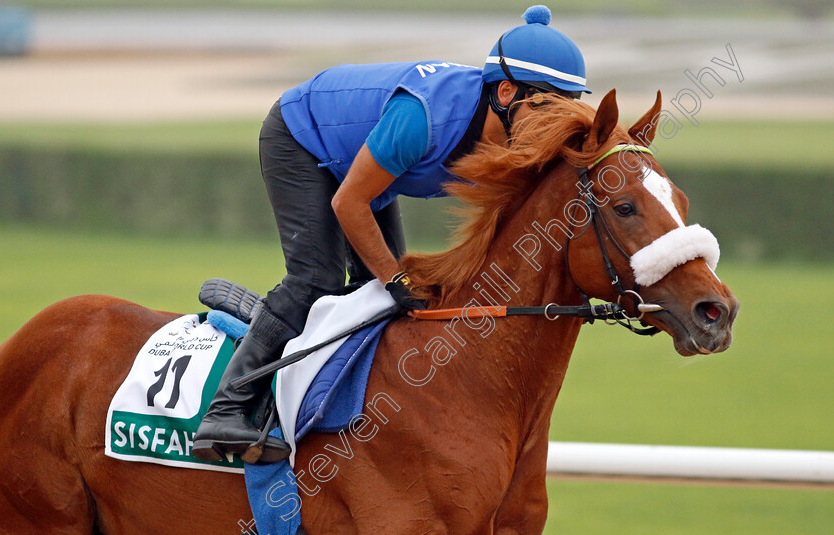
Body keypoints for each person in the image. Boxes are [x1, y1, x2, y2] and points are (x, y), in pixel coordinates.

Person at [191, 4, 591, 464]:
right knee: (318, 279)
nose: (556, 126)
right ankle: (227, 408)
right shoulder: (421, 119)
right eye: (550, 108)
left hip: (363, 165)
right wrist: (394, 279)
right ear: (505, 92)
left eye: (569, 107)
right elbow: (348, 203)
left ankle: (326, 400)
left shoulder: (513, 128)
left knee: (379, 302)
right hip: (303, 138)